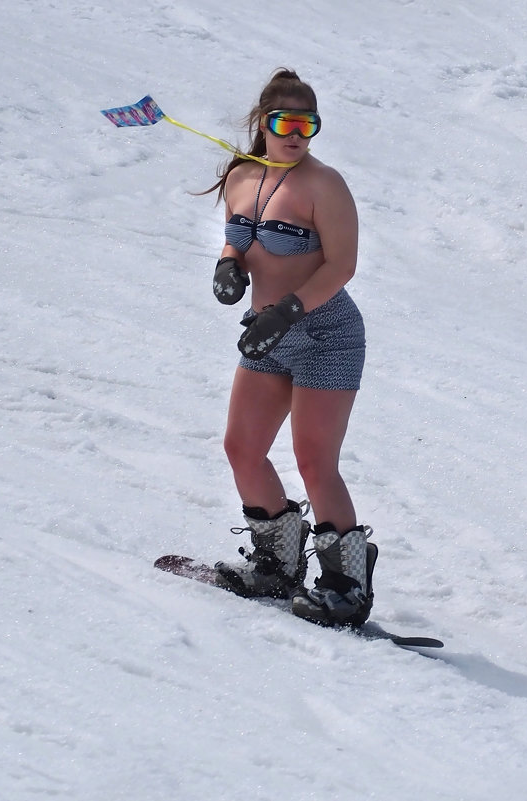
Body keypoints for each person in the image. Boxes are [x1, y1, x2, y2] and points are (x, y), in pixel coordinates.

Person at [200, 68, 374, 627]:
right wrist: (229, 265)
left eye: (308, 124)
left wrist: (290, 310)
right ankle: (277, 563)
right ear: (264, 123)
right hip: (265, 331)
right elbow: (237, 233)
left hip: (324, 335)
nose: (296, 134)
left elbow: (342, 265)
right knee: (241, 448)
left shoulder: (325, 185)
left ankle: (347, 586)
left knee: (314, 461)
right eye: (285, 122)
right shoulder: (242, 177)